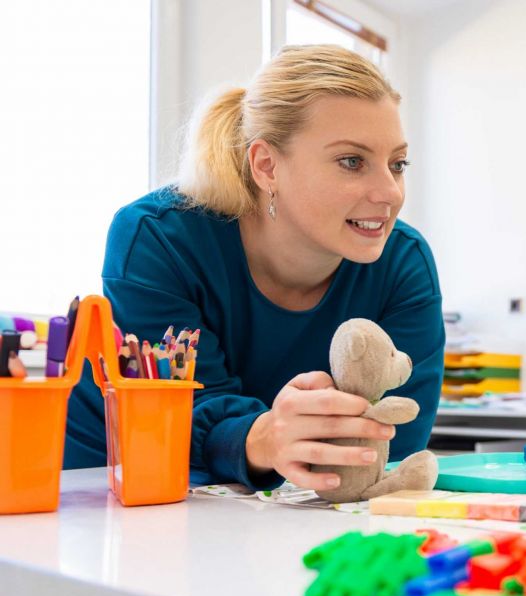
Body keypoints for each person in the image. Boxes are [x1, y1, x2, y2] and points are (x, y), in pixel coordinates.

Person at [65, 45, 445, 492]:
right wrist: (261, 437)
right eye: (351, 161)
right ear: (266, 165)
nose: (390, 193)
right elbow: (175, 416)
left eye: (397, 164)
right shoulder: (159, 238)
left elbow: (390, 444)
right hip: (109, 478)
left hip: (270, 498)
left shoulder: (404, 263)